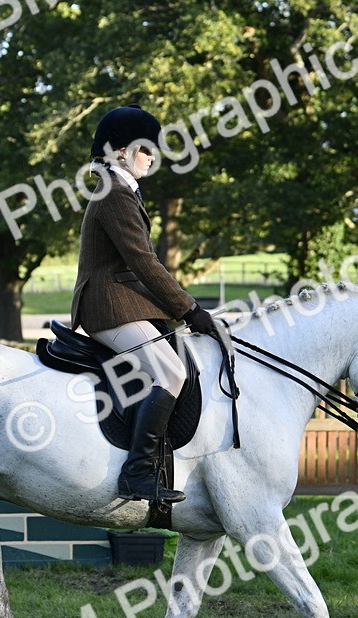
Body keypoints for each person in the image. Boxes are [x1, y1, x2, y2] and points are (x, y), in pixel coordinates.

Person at [70, 104, 217, 504]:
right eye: (144, 150)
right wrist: (189, 309)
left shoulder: (122, 190)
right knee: (170, 372)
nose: (152, 157)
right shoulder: (114, 193)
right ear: (119, 151)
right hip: (107, 306)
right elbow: (143, 262)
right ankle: (137, 474)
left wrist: (178, 311)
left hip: (123, 302)